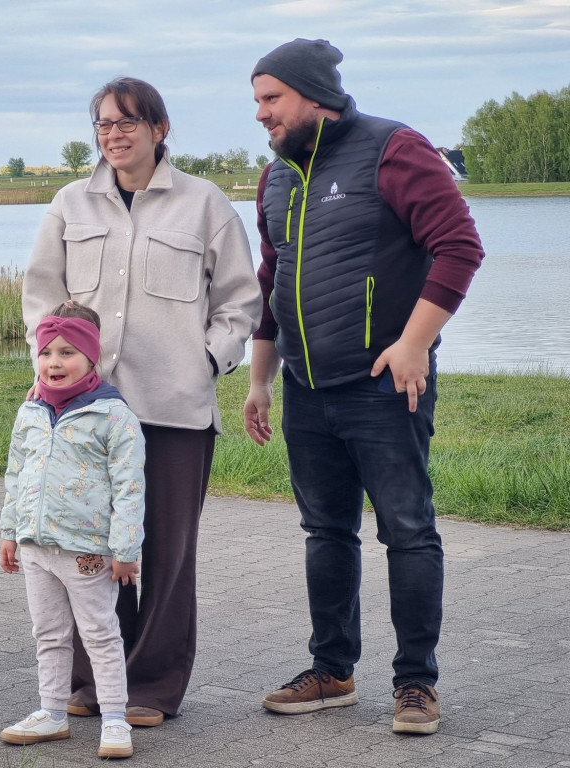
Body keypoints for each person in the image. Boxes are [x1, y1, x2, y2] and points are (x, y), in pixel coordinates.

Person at [244, 39, 485, 735]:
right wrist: (260, 380)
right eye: (256, 101)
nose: (261, 115)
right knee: (325, 531)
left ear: (313, 95)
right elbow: (272, 283)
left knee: (407, 532)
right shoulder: (276, 177)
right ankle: (332, 671)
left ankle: (416, 684)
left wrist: (414, 344)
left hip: (382, 388)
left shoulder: (396, 149)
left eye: (271, 99)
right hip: (306, 391)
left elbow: (459, 245)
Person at [22, 77, 262, 725]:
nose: (115, 134)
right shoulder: (70, 204)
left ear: (160, 128)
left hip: (175, 411)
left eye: (129, 122)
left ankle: (152, 686)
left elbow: (240, 301)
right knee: (83, 546)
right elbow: (41, 294)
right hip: (85, 413)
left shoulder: (205, 204)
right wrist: (52, 367)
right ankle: (89, 680)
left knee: (164, 552)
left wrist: (208, 361)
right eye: (103, 124)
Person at [0, 302, 144, 759]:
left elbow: (130, 486)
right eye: (46, 353)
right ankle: (52, 713)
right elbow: (15, 473)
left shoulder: (113, 416)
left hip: (88, 553)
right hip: (36, 547)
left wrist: (125, 548)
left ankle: (116, 719)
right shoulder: (31, 411)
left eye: (67, 352)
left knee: (101, 633)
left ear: (91, 356)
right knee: (49, 633)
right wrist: (10, 531)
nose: (54, 363)